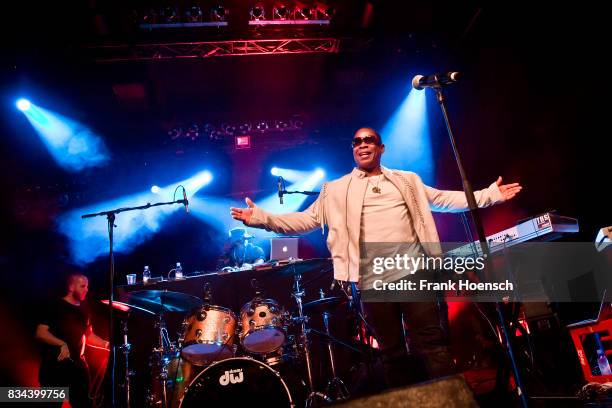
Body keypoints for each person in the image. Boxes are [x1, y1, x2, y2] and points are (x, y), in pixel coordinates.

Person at [230, 127, 522, 389]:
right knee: (391, 351)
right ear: (353, 149)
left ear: (381, 148)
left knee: (432, 345)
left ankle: (450, 399)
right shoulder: (336, 189)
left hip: (413, 271)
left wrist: (489, 195)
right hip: (371, 277)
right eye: (357, 141)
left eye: (369, 140)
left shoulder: (406, 181)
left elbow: (444, 200)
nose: (362, 145)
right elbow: (305, 220)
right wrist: (262, 218)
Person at [35, 273, 109, 408]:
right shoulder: (55, 306)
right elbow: (40, 332)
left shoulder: (84, 310)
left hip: (78, 368)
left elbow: (89, 336)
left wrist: (106, 344)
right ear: (71, 287)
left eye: (87, 286)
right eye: (83, 286)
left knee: (84, 404)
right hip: (54, 368)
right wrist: (62, 343)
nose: (86, 289)